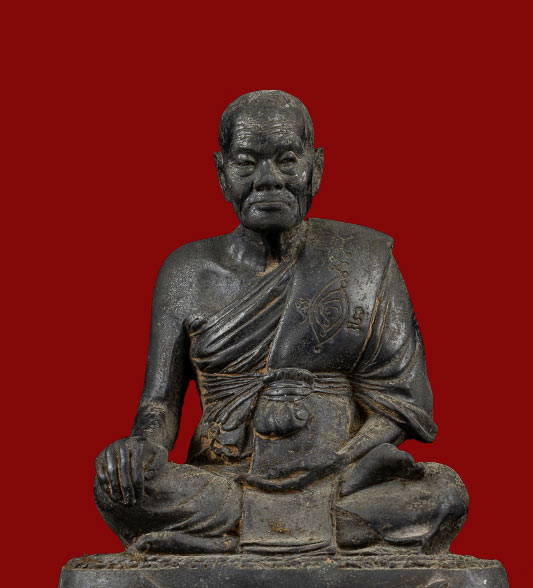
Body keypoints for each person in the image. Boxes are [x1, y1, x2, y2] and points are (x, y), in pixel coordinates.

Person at [94, 90, 468, 556]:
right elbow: (159, 404)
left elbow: (402, 402)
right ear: (221, 172)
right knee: (118, 488)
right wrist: (140, 449)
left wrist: (340, 462)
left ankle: (240, 536)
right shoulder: (186, 273)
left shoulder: (363, 260)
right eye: (246, 162)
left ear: (316, 167)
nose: (268, 179)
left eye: (287, 160)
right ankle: (312, 533)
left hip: (338, 478)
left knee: (442, 492)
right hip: (225, 477)